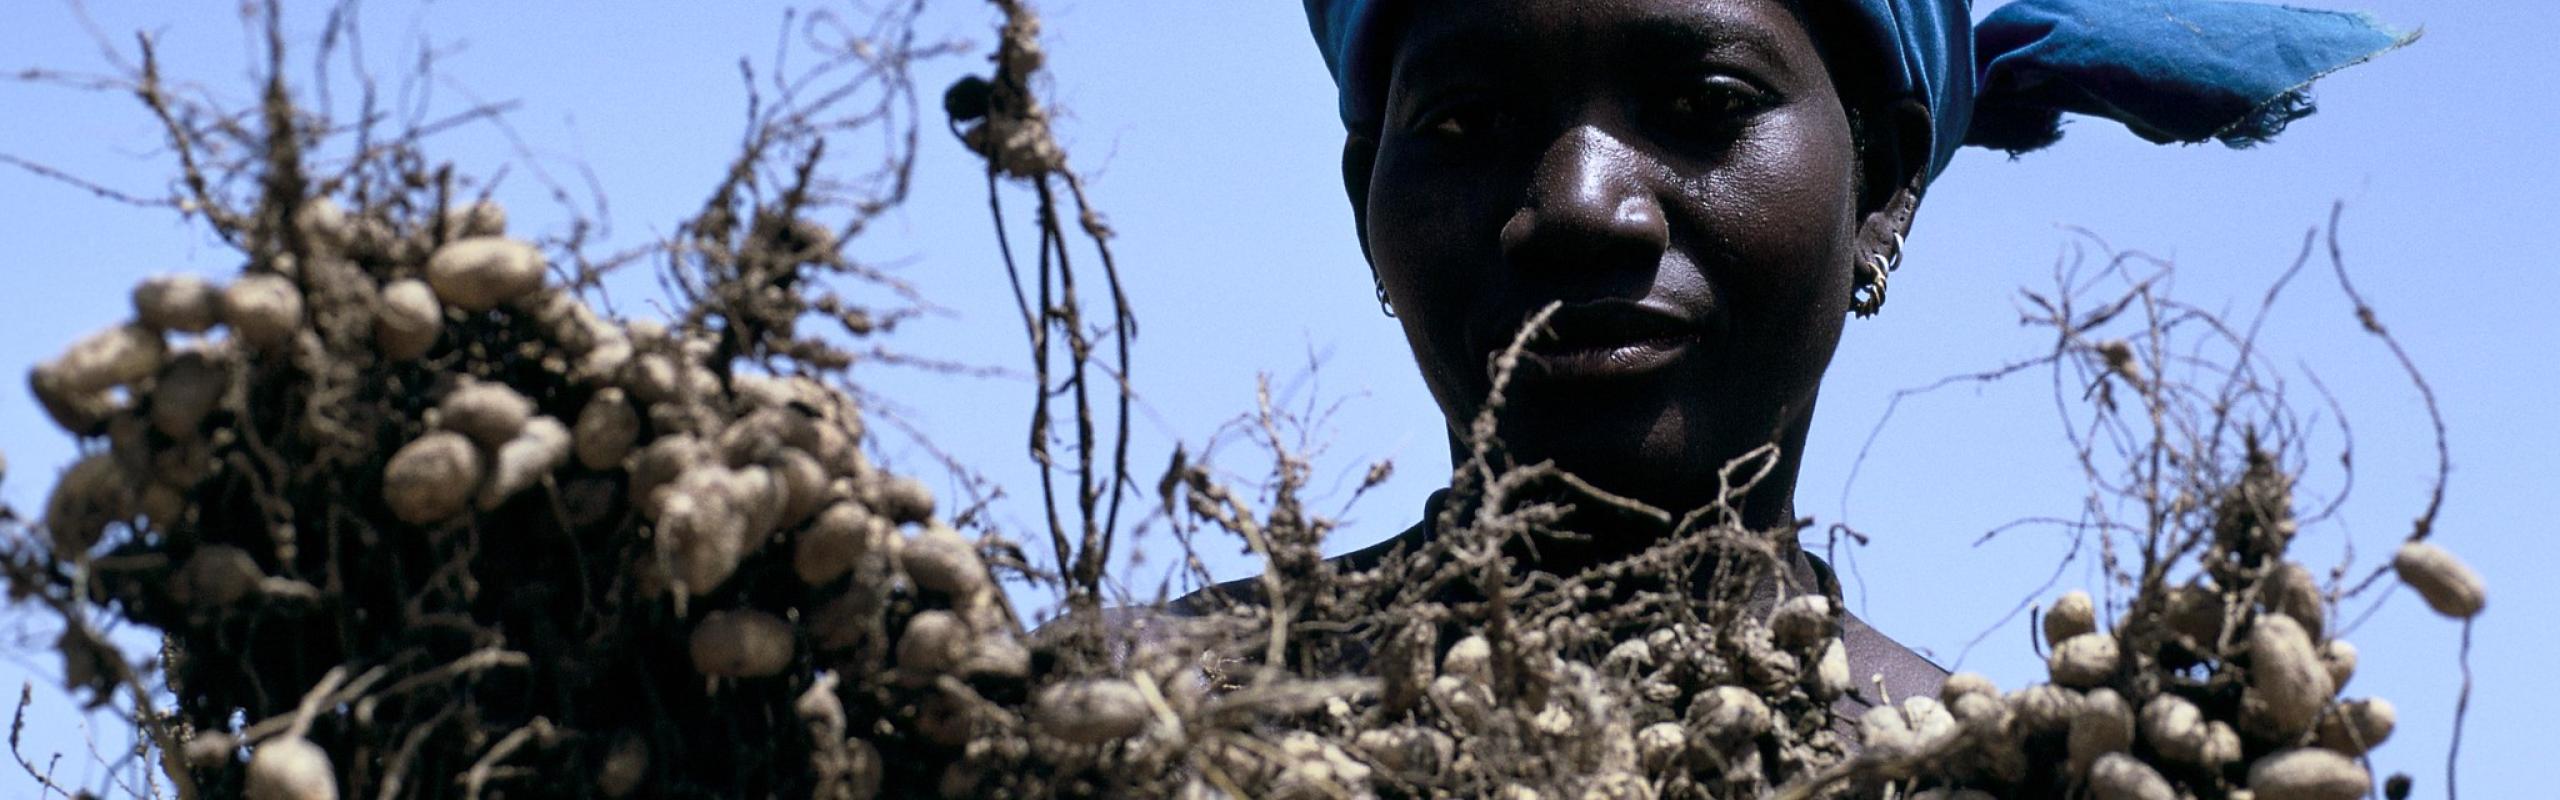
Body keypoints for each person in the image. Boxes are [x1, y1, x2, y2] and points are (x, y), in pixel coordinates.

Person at [1184, 0, 2407, 727]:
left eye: (1703, 102)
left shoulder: (2002, 773)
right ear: (1366, 211)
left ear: (1882, 188)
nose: (1578, 203)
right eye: (1464, 125)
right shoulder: (1149, 709)